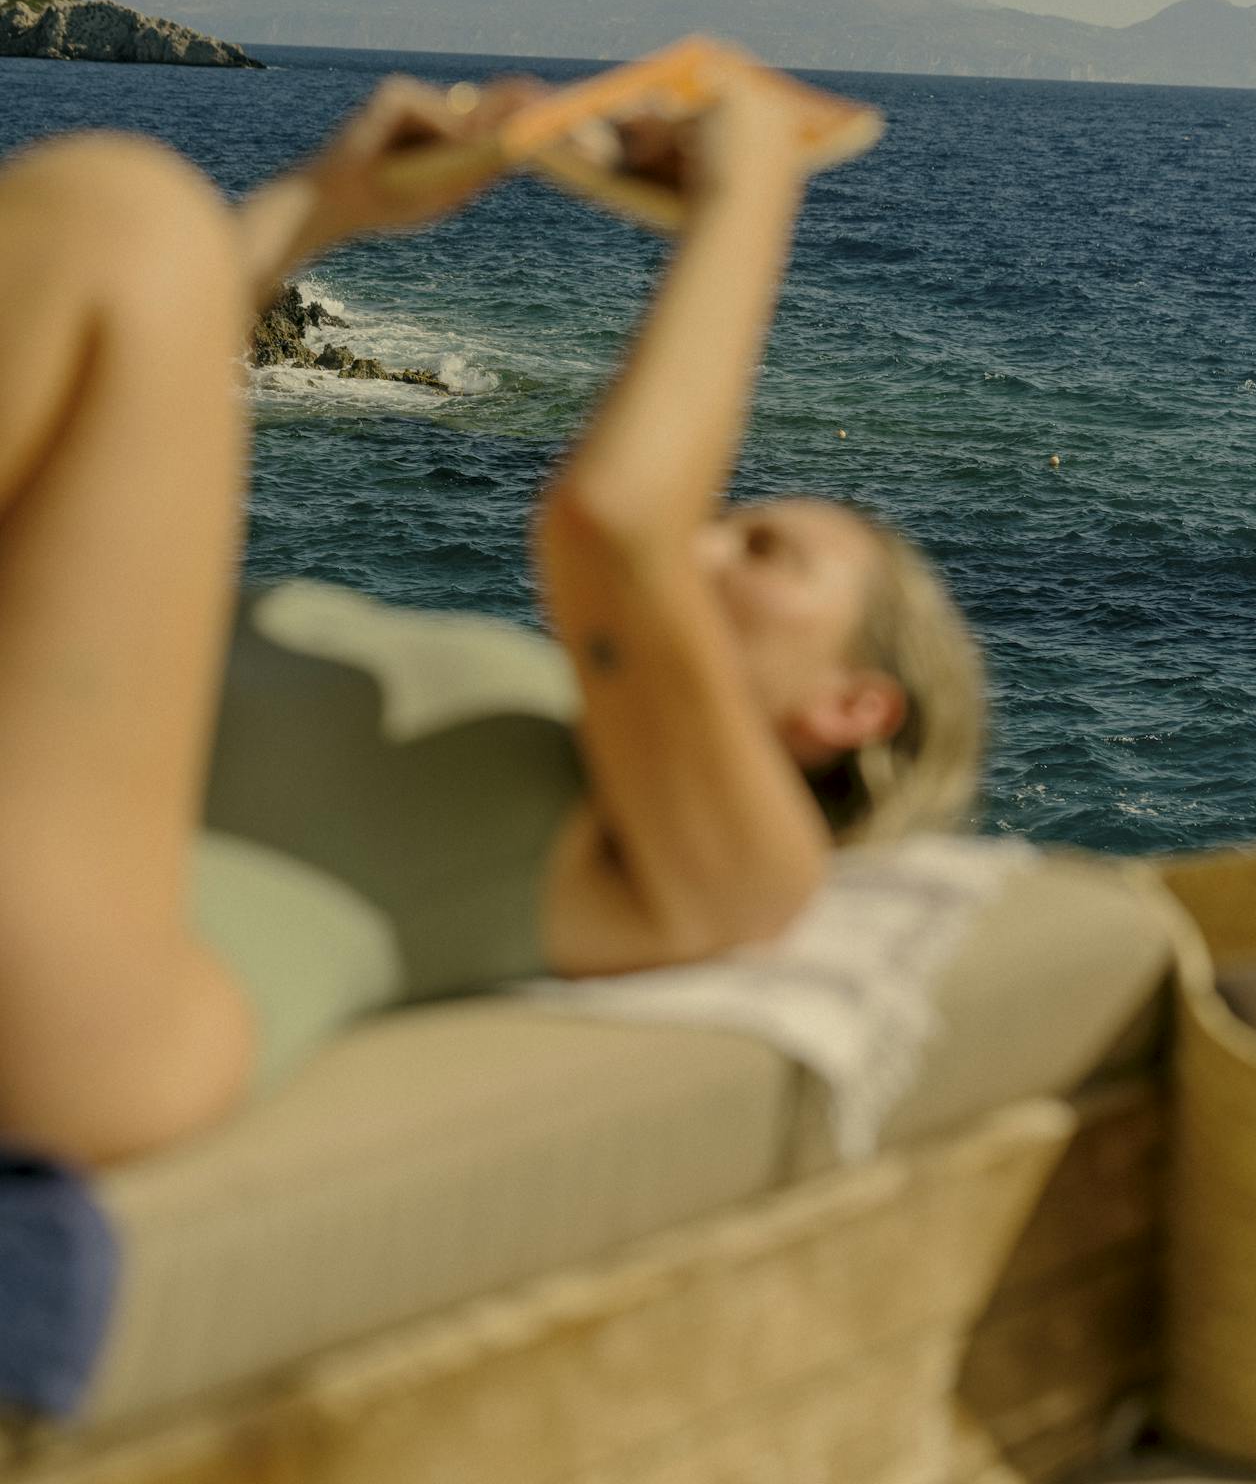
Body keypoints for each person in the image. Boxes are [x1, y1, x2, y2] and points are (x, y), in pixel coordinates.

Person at [0, 67, 985, 1170]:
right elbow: (95, 372)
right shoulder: (539, 697)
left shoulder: (754, 867)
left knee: (127, 210)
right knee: (121, 224)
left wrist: (750, 194)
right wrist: (326, 201)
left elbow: (614, 526)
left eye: (762, 551)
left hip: (94, 1009)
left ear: (852, 706)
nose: (700, 545)